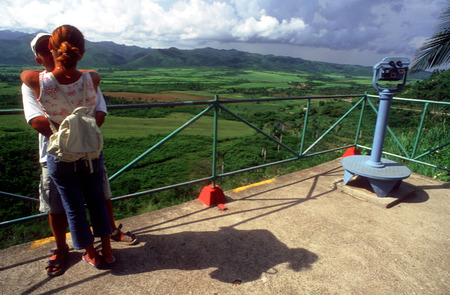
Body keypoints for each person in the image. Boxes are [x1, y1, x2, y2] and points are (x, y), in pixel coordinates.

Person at [21, 25, 118, 272]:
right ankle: (107, 252)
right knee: (97, 201)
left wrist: (57, 63)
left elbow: (26, 74)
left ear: (52, 51)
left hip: (60, 154)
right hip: (90, 152)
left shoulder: (35, 80)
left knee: (73, 207)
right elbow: (84, 77)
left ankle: (91, 255)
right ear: (81, 52)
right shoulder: (92, 78)